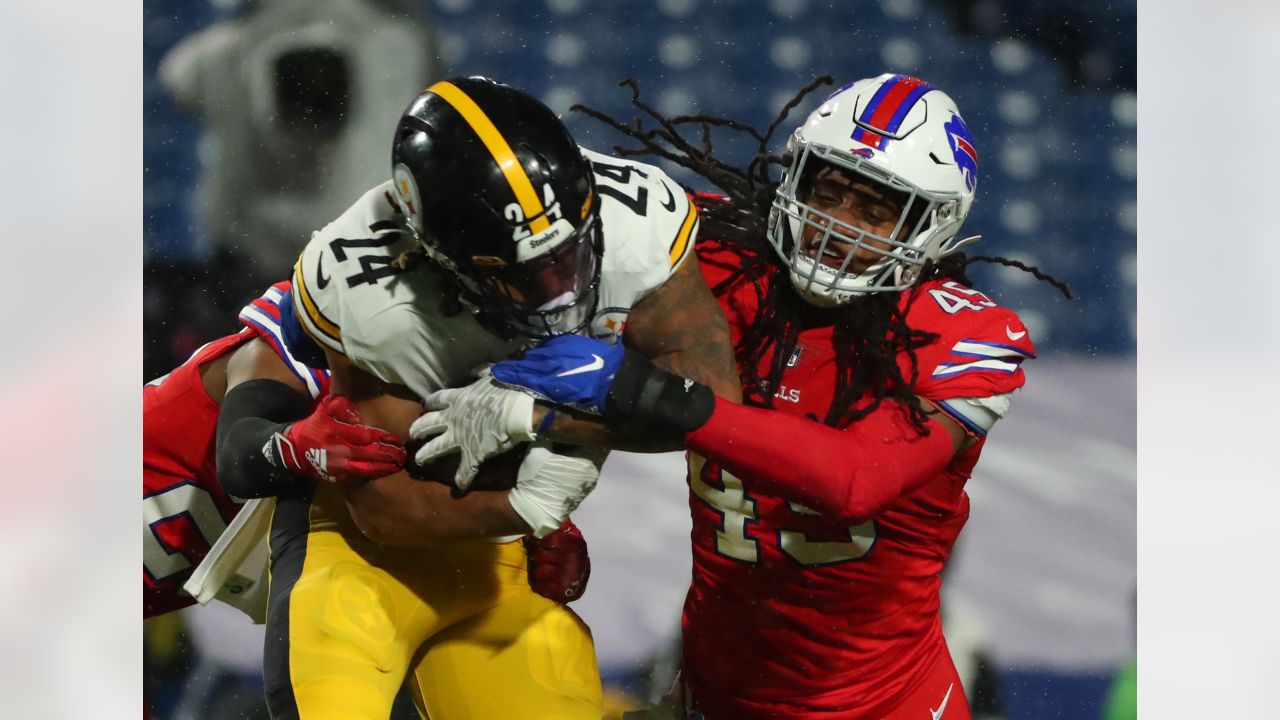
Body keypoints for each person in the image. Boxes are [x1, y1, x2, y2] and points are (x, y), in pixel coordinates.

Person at [421, 73, 1074, 719]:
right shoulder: (725, 258)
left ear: (930, 228)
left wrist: (639, 386)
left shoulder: (962, 334)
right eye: (828, 191)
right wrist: (538, 466)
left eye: (875, 210)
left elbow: (855, 481)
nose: (836, 228)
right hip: (713, 693)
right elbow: (531, 189)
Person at [225, 76, 740, 719]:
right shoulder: (377, 298)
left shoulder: (637, 221)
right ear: (439, 256)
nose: (560, 292)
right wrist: (524, 505)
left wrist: (547, 418)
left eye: (572, 255)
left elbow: (714, 408)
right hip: (367, 550)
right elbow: (385, 509)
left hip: (501, 562)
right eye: (526, 277)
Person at [144, 280, 591, 620]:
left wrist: (537, 528)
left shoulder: (485, 373)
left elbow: (434, 500)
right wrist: (288, 445)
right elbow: (239, 458)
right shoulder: (331, 320)